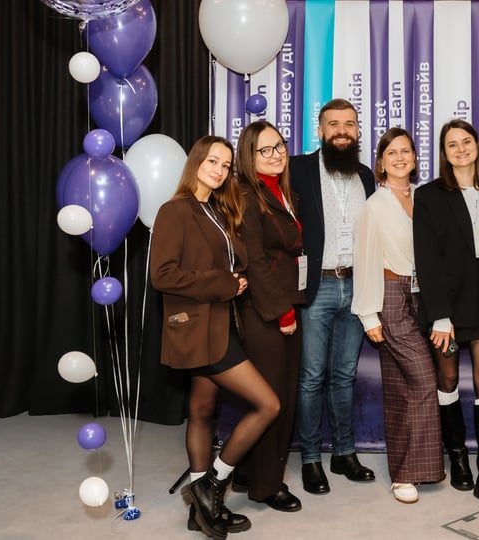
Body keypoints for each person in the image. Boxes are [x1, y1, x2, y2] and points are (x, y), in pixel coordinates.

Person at [150, 135, 281, 538]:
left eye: (226, 165)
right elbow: (163, 275)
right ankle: (211, 484)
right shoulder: (175, 210)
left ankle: (200, 511)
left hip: (221, 325)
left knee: (202, 409)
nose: (220, 170)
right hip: (198, 329)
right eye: (213, 161)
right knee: (268, 404)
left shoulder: (216, 210)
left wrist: (236, 277)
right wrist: (224, 283)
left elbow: (226, 261)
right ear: (196, 162)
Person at [414, 119, 479, 514]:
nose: (460, 149)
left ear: (477, 146)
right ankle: (457, 458)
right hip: (448, 303)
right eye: (451, 144)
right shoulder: (429, 196)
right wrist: (440, 315)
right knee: (449, 378)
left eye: (466, 141)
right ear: (444, 152)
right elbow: (427, 259)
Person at [351, 128, 445, 504]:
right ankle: (407, 473)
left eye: (406, 151)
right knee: (424, 380)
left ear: (416, 158)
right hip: (389, 295)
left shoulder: (424, 198)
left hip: (423, 297)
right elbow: (364, 260)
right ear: (381, 162)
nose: (400, 157)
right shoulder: (374, 205)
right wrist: (368, 315)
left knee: (400, 387)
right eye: (392, 152)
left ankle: (404, 471)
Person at [289, 98, 377, 495]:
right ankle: (310, 458)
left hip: (357, 286)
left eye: (349, 124)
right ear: (320, 131)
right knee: (311, 377)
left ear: (357, 131)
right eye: (333, 124)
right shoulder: (298, 169)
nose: (342, 131)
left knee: (344, 376)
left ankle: (344, 453)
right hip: (317, 286)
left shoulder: (366, 175)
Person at [233, 120, 305, 512]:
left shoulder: (282, 191)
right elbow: (256, 264)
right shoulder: (247, 195)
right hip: (268, 313)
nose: (276, 154)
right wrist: (282, 313)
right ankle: (266, 486)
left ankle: (249, 473)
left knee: (280, 395)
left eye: (279, 145)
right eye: (265, 149)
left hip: (286, 304)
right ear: (249, 156)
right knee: (274, 400)